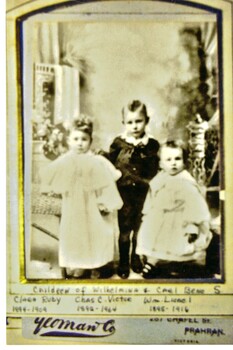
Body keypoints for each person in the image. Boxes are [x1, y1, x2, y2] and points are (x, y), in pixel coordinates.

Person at [41, 115, 123, 279]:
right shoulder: (65, 160)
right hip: (73, 205)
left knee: (97, 232)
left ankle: (96, 265)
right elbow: (48, 173)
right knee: (75, 234)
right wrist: (50, 188)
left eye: (84, 139)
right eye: (76, 139)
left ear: (90, 140)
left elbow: (109, 180)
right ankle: (79, 265)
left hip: (93, 204)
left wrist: (104, 203)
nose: (80, 143)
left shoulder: (96, 160)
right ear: (69, 141)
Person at [136, 140, 213, 279]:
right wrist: (147, 213)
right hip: (159, 217)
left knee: (177, 245)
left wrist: (192, 227)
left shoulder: (185, 182)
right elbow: (152, 195)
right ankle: (152, 263)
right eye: (168, 159)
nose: (173, 163)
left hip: (180, 218)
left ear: (184, 161)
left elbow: (194, 207)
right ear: (161, 164)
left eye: (177, 159)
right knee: (154, 240)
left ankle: (181, 266)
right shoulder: (160, 178)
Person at [109, 100, 160, 278]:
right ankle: (123, 261)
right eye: (130, 122)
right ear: (124, 123)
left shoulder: (152, 144)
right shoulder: (118, 143)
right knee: (124, 229)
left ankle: (135, 257)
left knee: (140, 228)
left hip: (144, 193)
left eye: (138, 121)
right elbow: (109, 165)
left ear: (146, 120)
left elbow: (156, 168)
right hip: (123, 192)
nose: (134, 126)